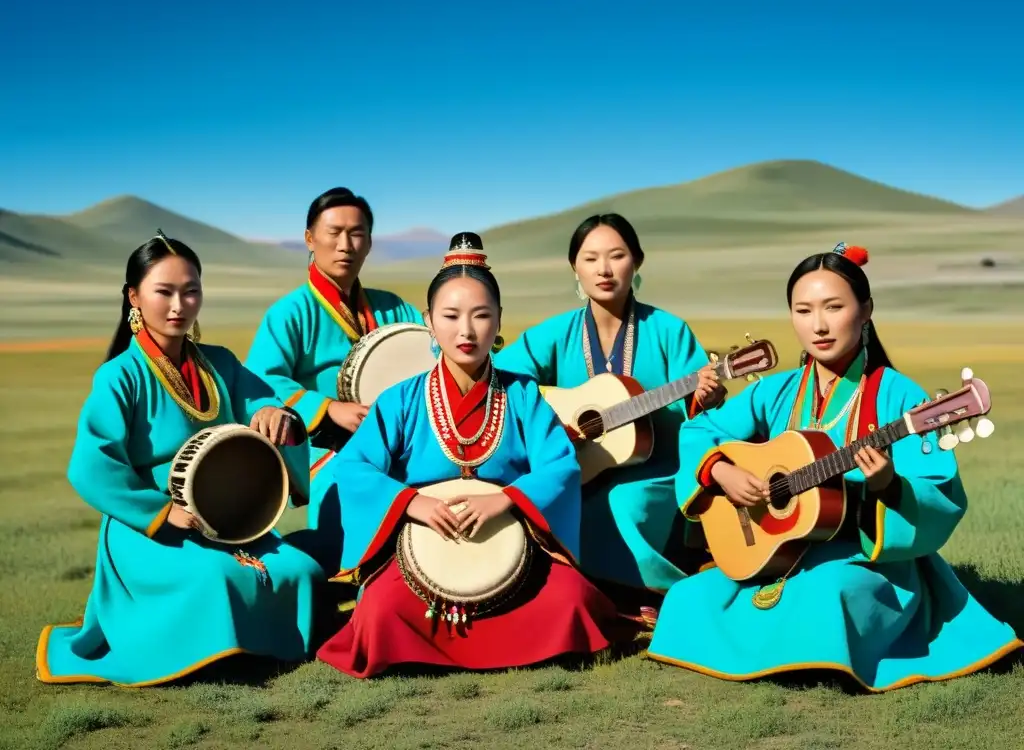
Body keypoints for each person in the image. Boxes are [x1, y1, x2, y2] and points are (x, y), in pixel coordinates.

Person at [647, 242, 1023, 691]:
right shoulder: (777, 390)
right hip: (779, 552)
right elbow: (699, 430)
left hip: (867, 561)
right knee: (689, 597)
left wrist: (888, 484)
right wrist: (720, 471)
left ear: (865, 311)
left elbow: (936, 487)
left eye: (834, 307)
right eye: (803, 311)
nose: (819, 325)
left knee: (830, 594)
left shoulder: (902, 398)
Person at [315, 232, 624, 678]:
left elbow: (560, 465)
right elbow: (355, 466)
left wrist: (506, 500)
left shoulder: (523, 395)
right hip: (421, 542)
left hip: (512, 541)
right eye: (451, 315)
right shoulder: (400, 399)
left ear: (499, 320)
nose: (466, 331)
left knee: (574, 600)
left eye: (481, 315)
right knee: (381, 610)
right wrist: (411, 503)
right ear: (429, 321)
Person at [35, 232, 325, 688]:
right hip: (150, 530)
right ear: (134, 296)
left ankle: (257, 646)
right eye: (164, 292)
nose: (179, 305)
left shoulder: (221, 363)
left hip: (227, 518)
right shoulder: (118, 377)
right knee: (215, 576)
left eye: (190, 291)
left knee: (300, 570)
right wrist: (162, 512)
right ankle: (220, 652)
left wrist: (276, 413)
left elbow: (268, 404)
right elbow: (90, 466)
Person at [494, 213, 722, 610]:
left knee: (623, 503)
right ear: (574, 268)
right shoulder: (556, 332)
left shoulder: (669, 329)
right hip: (578, 465)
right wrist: (549, 425)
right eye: (590, 258)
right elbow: (504, 380)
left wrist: (706, 394)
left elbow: (701, 409)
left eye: (616, 256)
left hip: (657, 467)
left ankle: (644, 593)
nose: (603, 269)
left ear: (637, 262)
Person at [244, 188, 422, 568]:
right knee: (349, 519)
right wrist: (328, 408)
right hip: (331, 451)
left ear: (370, 242)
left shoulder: (395, 307)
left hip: (405, 443)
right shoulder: (290, 313)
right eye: (334, 232)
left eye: (357, 233)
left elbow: (432, 354)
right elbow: (259, 381)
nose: (346, 244)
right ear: (310, 239)